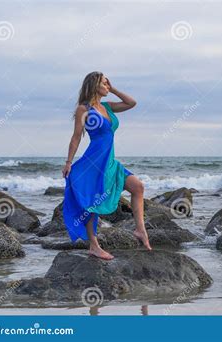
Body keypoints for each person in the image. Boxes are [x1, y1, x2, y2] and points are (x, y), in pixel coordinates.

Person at [62, 71, 152, 260]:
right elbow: (76, 137)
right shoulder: (84, 109)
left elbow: (131, 103)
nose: (107, 86)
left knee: (138, 187)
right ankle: (94, 246)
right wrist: (68, 162)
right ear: (94, 85)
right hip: (93, 162)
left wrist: (114, 89)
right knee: (92, 203)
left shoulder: (107, 107)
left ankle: (140, 230)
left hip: (109, 161)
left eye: (107, 83)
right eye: (104, 83)